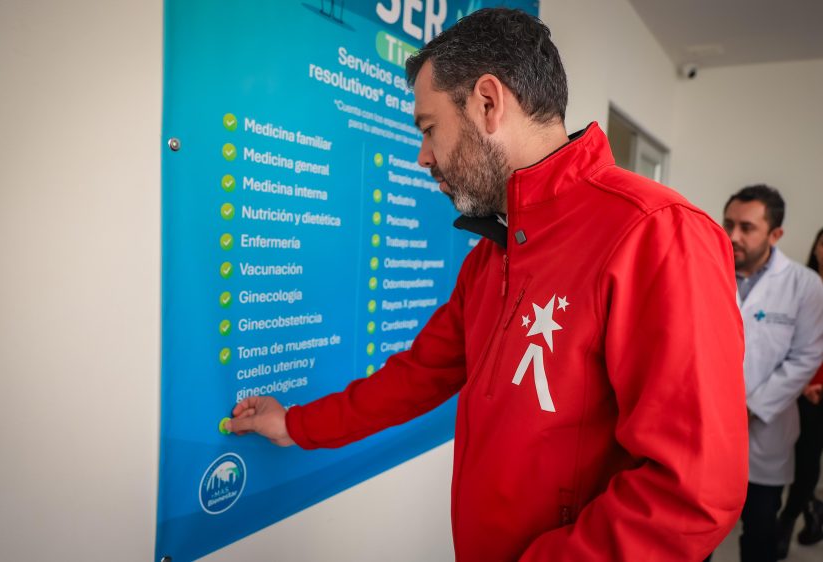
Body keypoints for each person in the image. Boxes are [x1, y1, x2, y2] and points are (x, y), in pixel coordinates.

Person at [227, 8, 749, 560]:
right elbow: (417, 376)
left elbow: (691, 493)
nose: (423, 156)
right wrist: (297, 425)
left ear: (487, 103)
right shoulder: (493, 256)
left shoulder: (656, 232)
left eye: (428, 128)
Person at [717, 187, 823, 562]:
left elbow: (806, 356)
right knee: (695, 536)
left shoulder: (805, 285)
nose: (732, 236)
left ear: (775, 234)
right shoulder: (707, 272)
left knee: (759, 533)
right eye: (728, 224)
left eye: (746, 227)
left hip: (766, 430)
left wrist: (750, 407)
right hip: (707, 431)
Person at [776, 226, 823, 558]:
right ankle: (807, 509)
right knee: (791, 458)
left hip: (818, 392)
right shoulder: (799, 287)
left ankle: (792, 518)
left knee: (807, 462)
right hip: (797, 387)